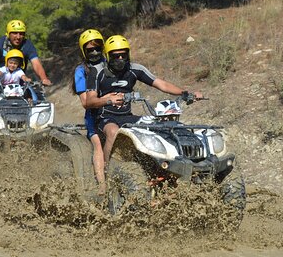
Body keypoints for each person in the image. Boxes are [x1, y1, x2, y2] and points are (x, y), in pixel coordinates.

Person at [85, 35, 203, 164]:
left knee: (160, 124)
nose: (120, 59)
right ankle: (109, 169)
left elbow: (161, 84)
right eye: (116, 56)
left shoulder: (135, 69)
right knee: (113, 132)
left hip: (127, 116)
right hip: (104, 117)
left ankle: (167, 162)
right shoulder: (97, 72)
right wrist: (108, 100)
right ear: (107, 56)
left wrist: (185, 92)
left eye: (123, 55)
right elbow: (89, 102)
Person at [71, 29, 106, 193]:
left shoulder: (111, 64)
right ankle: (102, 185)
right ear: (84, 51)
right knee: (98, 144)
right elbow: (86, 102)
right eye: (90, 49)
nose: (94, 52)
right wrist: (106, 99)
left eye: (97, 48)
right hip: (94, 116)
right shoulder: (81, 71)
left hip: (116, 114)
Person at [0, 19, 52, 86]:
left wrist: (44, 78)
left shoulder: (27, 45)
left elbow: (36, 63)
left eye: (21, 34)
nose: (18, 37)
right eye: (14, 33)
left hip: (18, 81)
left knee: (33, 96)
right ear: (8, 33)